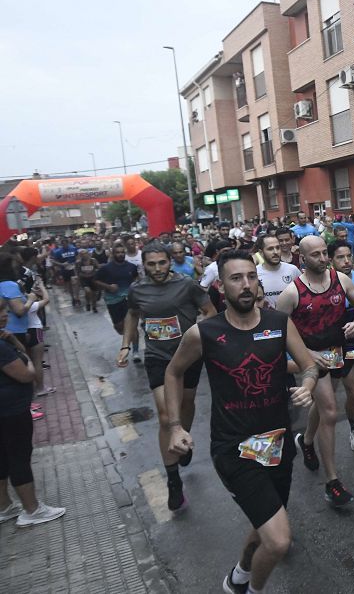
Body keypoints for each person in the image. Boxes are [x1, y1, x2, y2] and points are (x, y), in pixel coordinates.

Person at [162, 249, 318, 594]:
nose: (246, 285)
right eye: (236, 278)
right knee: (278, 542)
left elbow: (309, 365)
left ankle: (239, 576)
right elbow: (173, 372)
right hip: (234, 448)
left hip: (276, 441)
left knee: (266, 521)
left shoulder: (278, 322)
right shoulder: (204, 333)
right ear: (221, 286)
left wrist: (307, 385)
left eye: (251, 277)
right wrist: (175, 425)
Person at [116, 243, 216, 511]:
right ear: (144, 265)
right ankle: (173, 480)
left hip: (189, 355)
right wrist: (126, 344)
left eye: (162, 263)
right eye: (151, 264)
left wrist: (196, 332)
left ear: (170, 262)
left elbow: (210, 312)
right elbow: (132, 314)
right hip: (158, 357)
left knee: (185, 405)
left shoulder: (188, 285)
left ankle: (183, 435)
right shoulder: (137, 289)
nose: (157, 269)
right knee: (164, 416)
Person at [275, 236, 354, 507]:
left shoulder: (341, 280)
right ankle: (332, 482)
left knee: (324, 405)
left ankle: (308, 440)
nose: (323, 258)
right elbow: (280, 334)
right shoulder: (291, 294)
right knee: (329, 410)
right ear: (302, 259)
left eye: (325, 252)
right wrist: (306, 355)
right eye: (316, 255)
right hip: (311, 360)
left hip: (338, 352)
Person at [303, 240, 354, 454]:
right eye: (340, 257)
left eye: (349, 256)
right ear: (330, 260)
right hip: (340, 347)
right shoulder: (325, 283)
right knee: (353, 393)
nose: (347, 261)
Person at [0, 300, 65, 528]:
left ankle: (5, 506)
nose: (4, 315)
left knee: (4, 457)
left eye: (3, 310)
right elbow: (28, 375)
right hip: (10, 410)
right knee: (19, 457)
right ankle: (32, 509)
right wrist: (20, 350)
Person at [94, 242, 141, 360]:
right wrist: (109, 287)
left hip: (128, 300)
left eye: (122, 252)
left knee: (132, 326)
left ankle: (135, 352)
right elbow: (96, 281)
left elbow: (137, 280)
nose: (120, 255)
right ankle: (127, 335)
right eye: (118, 253)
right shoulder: (106, 268)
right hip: (113, 300)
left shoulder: (131, 267)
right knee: (120, 327)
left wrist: (136, 289)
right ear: (113, 254)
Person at [254, 235, 300, 310]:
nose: (275, 252)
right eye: (270, 249)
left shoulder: (293, 270)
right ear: (261, 252)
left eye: (278, 248)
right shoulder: (255, 273)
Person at [50, 237, 79, 305]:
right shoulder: (58, 252)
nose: (64, 245)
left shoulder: (73, 248)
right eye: (63, 244)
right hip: (65, 270)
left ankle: (77, 297)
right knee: (69, 284)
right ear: (61, 244)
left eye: (65, 243)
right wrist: (61, 264)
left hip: (74, 269)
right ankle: (73, 298)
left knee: (75, 283)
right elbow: (53, 261)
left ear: (67, 243)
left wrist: (76, 262)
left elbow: (78, 257)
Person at [75, 248, 99, 312]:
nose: (84, 255)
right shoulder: (78, 262)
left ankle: (94, 306)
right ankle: (88, 303)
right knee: (88, 291)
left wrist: (95, 272)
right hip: (84, 279)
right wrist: (78, 279)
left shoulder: (93, 260)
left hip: (93, 278)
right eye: (82, 254)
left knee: (94, 294)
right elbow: (77, 272)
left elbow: (98, 268)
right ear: (80, 255)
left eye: (85, 253)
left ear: (88, 254)